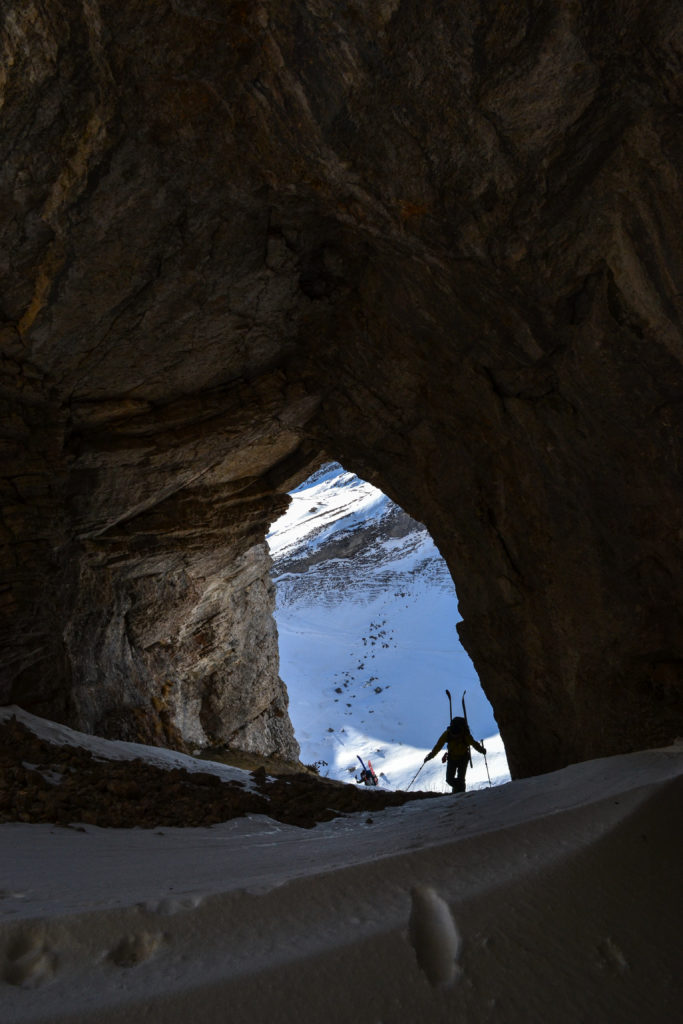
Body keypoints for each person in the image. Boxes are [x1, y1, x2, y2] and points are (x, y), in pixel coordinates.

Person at [423, 716, 486, 793]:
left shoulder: (448, 734)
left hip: (457, 758)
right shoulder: (464, 734)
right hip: (461, 758)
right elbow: (474, 743)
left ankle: (458, 793)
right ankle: (460, 792)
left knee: (451, 779)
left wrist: (430, 756)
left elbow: (438, 746)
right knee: (457, 780)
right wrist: (481, 750)